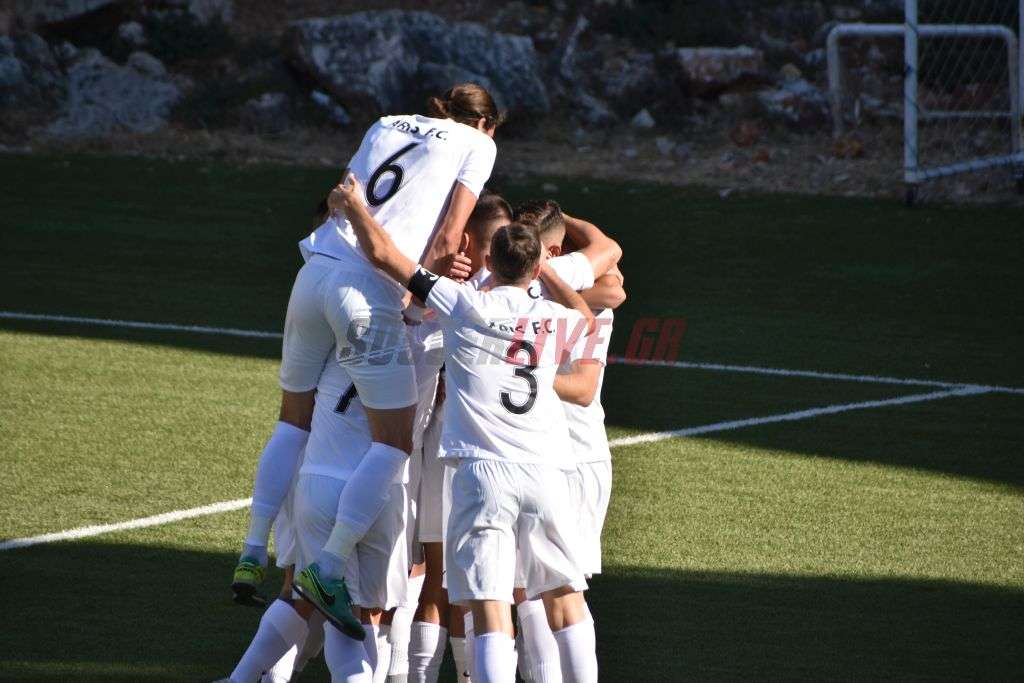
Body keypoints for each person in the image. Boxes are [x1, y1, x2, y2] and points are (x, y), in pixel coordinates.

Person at [232, 84, 503, 641]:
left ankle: (253, 549)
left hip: (313, 271)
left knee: (292, 420)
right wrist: (415, 304)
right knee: (394, 442)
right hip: (367, 289)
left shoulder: (384, 122)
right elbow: (450, 236)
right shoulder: (478, 145)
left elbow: (342, 197)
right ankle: (328, 567)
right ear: (487, 124)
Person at [330, 174, 599, 683]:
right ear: (536, 266)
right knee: (566, 597)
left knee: (491, 604)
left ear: (489, 261)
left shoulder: (466, 303)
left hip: (484, 473)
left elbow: (386, 256)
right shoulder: (553, 318)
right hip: (548, 469)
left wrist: (356, 206)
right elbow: (585, 317)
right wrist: (548, 273)